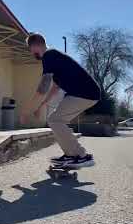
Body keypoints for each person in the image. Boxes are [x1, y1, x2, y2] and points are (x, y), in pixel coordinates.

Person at [19, 32, 101, 168]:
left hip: (84, 94)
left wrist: (25, 112)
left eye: (30, 49)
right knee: (56, 119)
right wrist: (41, 106)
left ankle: (81, 156)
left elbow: (43, 88)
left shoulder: (49, 56)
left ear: (34, 46)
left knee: (55, 120)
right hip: (84, 94)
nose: (31, 53)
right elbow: (54, 88)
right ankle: (71, 155)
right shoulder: (55, 58)